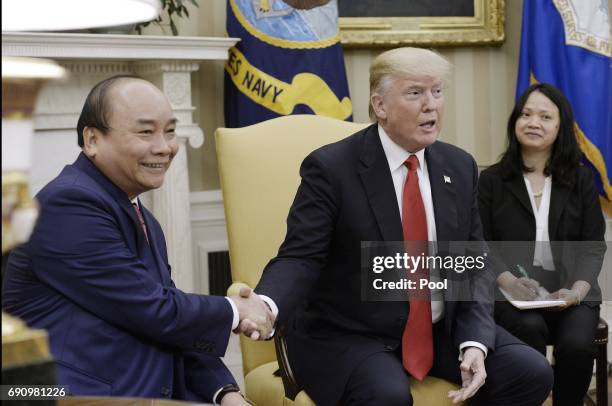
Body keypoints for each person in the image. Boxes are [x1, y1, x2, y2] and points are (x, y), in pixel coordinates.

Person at [251, 48, 553, 405]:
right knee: (389, 395)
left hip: (439, 331)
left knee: (531, 371)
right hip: (354, 334)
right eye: (415, 93)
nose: (431, 105)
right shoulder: (331, 169)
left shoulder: (459, 167)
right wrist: (267, 304)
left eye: (437, 92)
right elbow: (301, 257)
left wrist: (474, 342)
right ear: (380, 106)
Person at [2, 76, 274, 405]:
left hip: (134, 390)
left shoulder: (144, 220)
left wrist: (225, 392)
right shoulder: (68, 205)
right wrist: (236, 309)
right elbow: (153, 309)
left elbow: (167, 322)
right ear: (92, 140)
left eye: (170, 131)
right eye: (145, 131)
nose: (164, 147)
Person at [478, 83, 606, 406]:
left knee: (577, 344)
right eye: (526, 114)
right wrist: (508, 281)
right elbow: (479, 243)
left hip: (572, 291)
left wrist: (576, 291)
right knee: (528, 329)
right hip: (512, 292)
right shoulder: (492, 181)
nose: (533, 122)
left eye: (545, 116)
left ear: (560, 126)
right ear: (514, 122)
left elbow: (592, 245)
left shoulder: (580, 180)